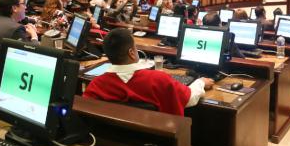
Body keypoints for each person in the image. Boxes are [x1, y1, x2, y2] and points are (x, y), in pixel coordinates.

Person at [83, 28, 213, 116]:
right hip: (159, 145)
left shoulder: (95, 85)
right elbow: (189, 98)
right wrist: (200, 82)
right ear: (132, 53)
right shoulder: (158, 79)